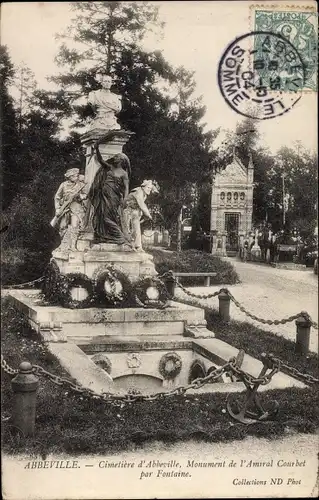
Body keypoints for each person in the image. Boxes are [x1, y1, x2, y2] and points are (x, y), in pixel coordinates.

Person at [88, 143, 133, 247]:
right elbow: (100, 160)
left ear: (122, 161)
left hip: (114, 197)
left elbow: (126, 188)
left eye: (117, 157)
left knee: (107, 218)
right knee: (102, 216)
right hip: (103, 197)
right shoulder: (110, 167)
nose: (115, 158)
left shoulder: (124, 173)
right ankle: (106, 236)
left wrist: (125, 200)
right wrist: (97, 149)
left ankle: (120, 237)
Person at [52, 168, 87, 251]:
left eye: (77, 176)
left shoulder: (80, 185)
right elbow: (57, 197)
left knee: (75, 226)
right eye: (75, 176)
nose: (77, 177)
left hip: (76, 207)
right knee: (62, 227)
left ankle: (73, 246)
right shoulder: (63, 185)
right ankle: (64, 245)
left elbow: (85, 195)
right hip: (65, 208)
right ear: (70, 177)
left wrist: (80, 196)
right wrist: (57, 209)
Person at [123, 180, 159, 251]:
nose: (149, 190)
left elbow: (142, 205)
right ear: (143, 186)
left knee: (137, 229)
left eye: (150, 188)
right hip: (127, 211)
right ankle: (128, 245)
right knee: (127, 228)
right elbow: (141, 205)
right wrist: (148, 215)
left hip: (135, 212)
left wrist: (145, 215)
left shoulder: (144, 194)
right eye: (148, 188)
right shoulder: (138, 191)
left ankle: (138, 246)